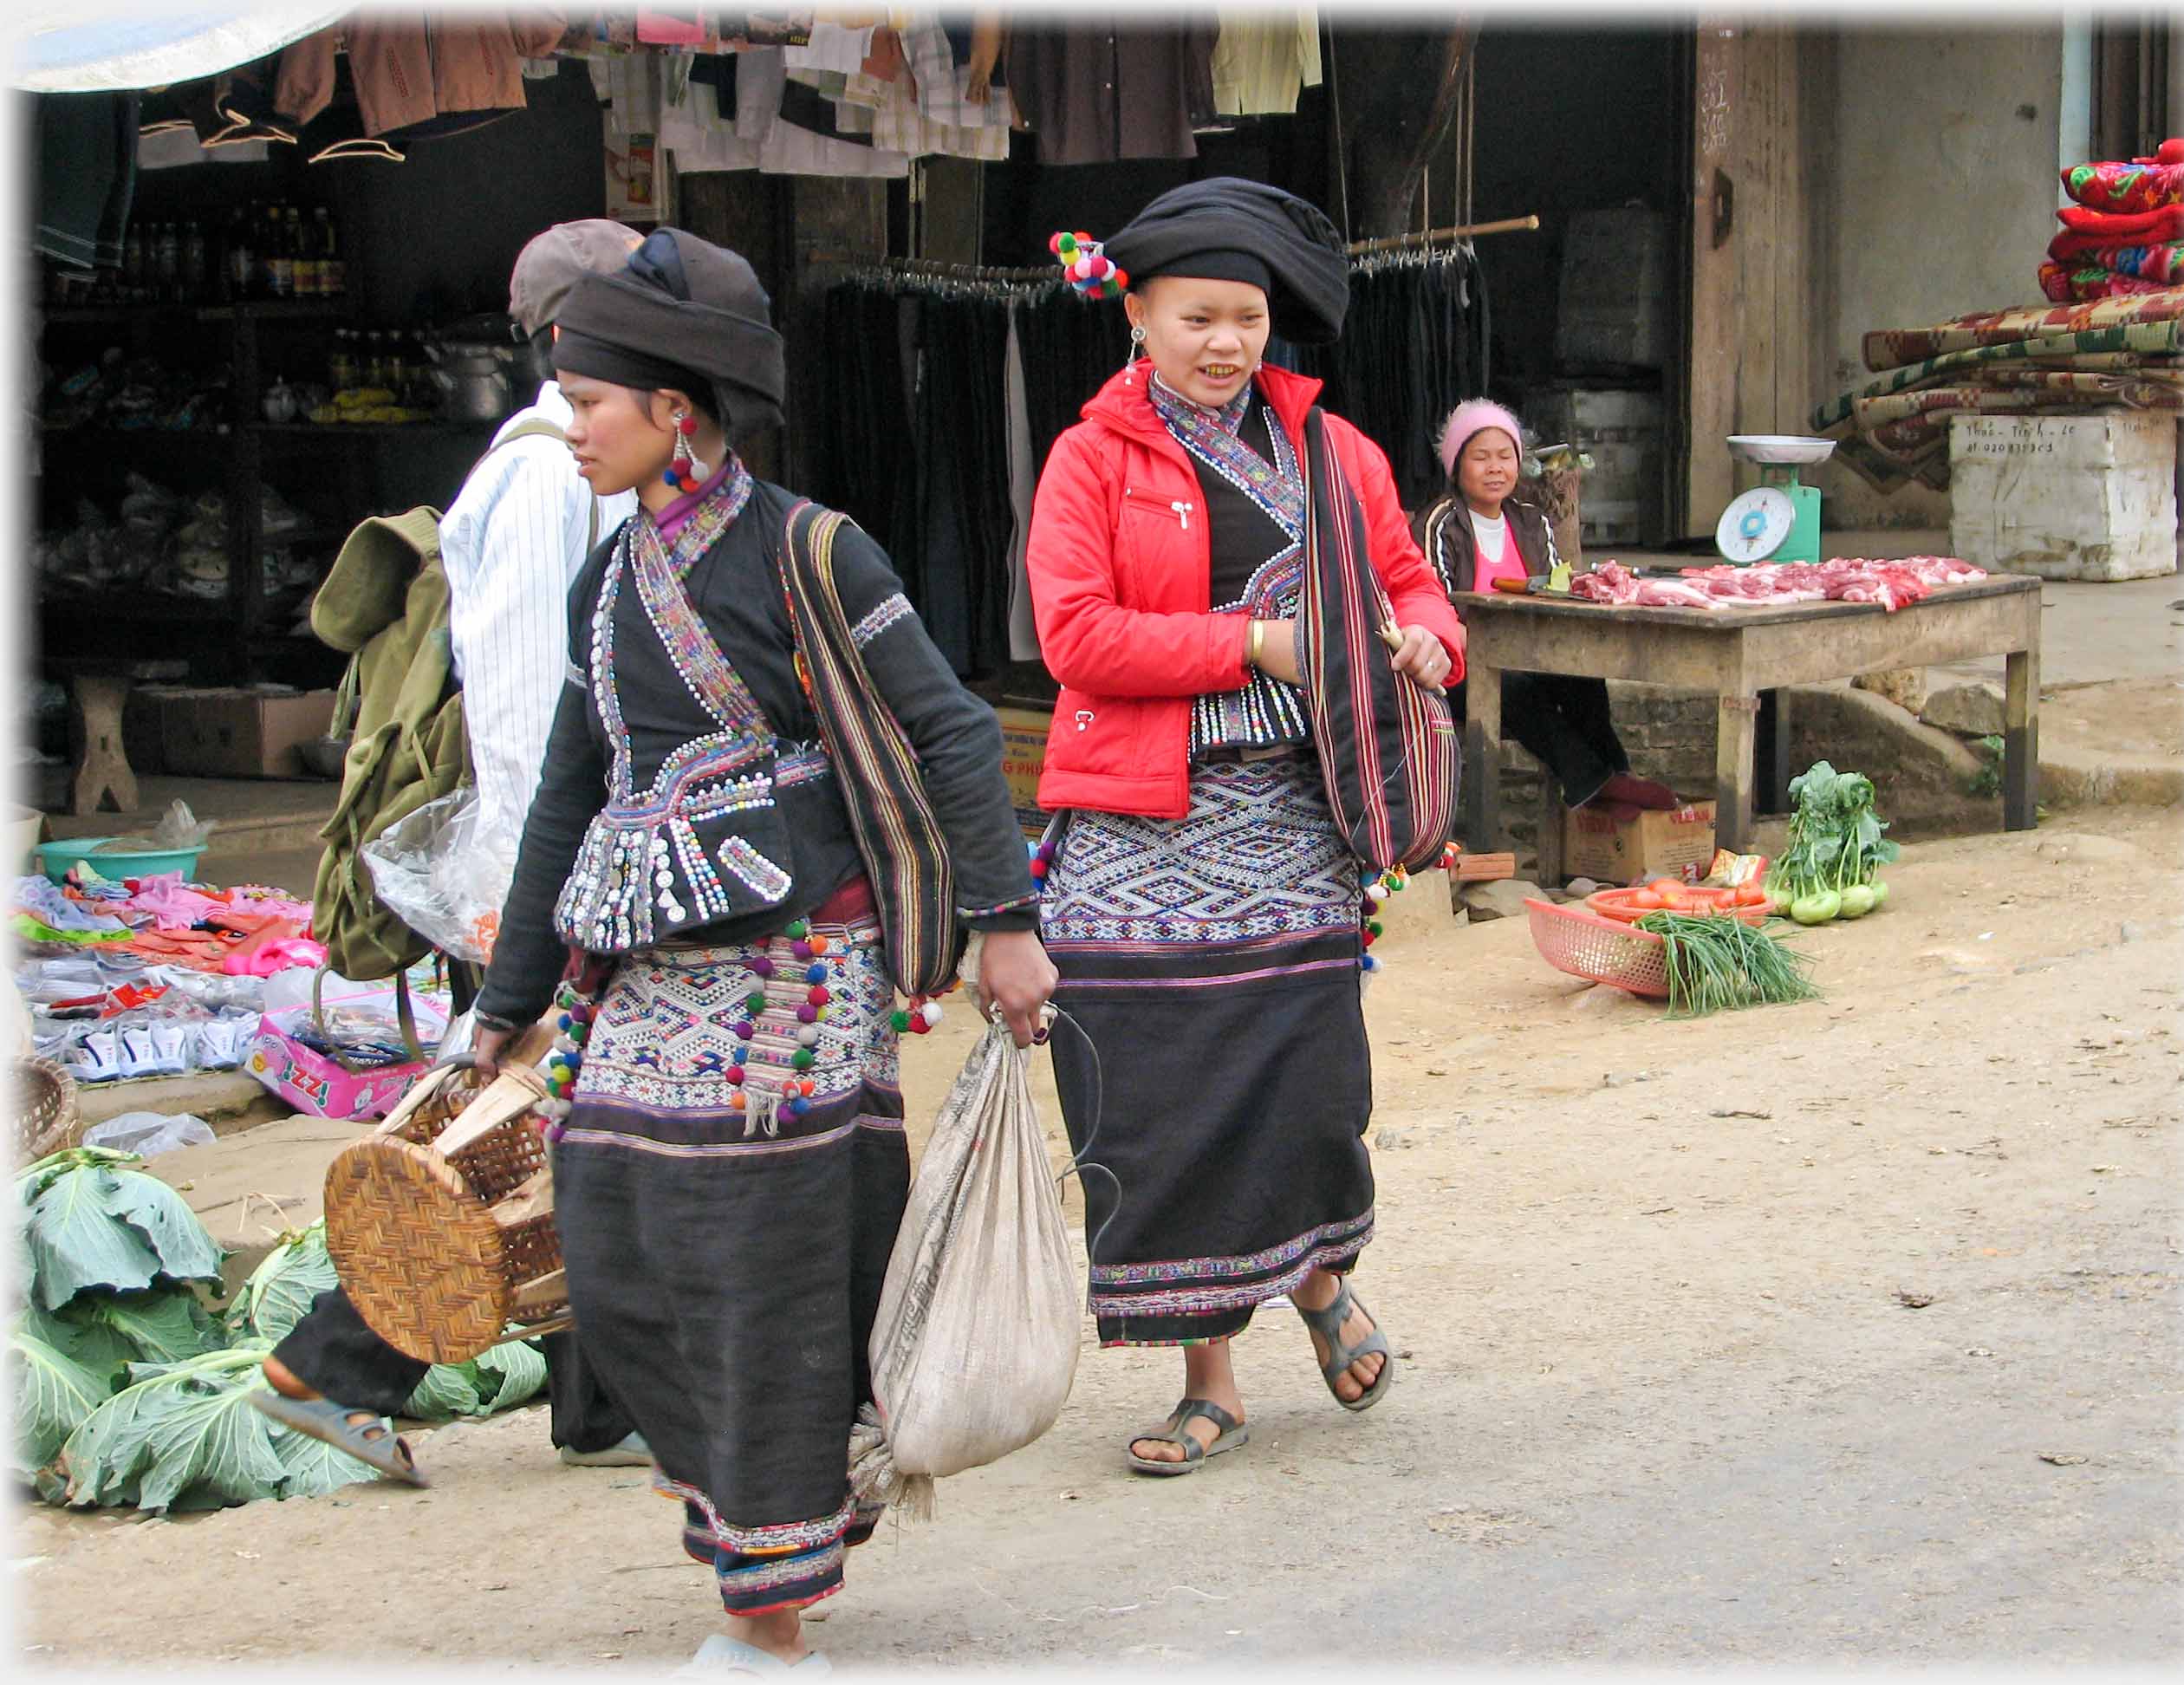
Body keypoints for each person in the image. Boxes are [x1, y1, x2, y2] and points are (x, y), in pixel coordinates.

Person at [465, 226, 1057, 1675]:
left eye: (587, 399)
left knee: (760, 1267)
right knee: (608, 1249)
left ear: (676, 409)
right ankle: (787, 1487)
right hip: (647, 980)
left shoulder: (810, 550)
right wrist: (507, 1001)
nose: (569, 424)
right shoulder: (613, 582)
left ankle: (766, 1601)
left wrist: (1004, 923)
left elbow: (954, 730)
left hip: (797, 979)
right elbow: (570, 784)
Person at [1023, 179, 1464, 1477]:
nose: (1226, 343)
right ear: (1139, 318)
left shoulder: (1337, 452)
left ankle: (1319, 1279)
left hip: (1296, 815)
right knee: (1156, 1106)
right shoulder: (1090, 459)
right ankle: (1207, 1379)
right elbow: (1073, 636)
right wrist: (1253, 640)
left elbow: (1406, 576)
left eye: (1247, 318)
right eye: (1198, 317)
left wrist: (1433, 638)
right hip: (1135, 832)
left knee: (1304, 1087)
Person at [253, 219, 651, 1483]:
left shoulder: (585, 465)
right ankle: (333, 1360)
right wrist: (546, 911)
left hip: (572, 869)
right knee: (505, 1138)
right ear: (566, 337)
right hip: (550, 876)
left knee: (578, 1131)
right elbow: (539, 713)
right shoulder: (549, 477)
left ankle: (602, 1400)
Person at [1414, 400, 1677, 813]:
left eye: (1505, 457)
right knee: (1512, 686)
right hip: (1458, 667)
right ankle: (1593, 783)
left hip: (1527, 654)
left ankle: (1616, 775)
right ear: (1456, 466)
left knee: (1581, 675)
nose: (1495, 468)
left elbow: (1557, 595)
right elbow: (1430, 605)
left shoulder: (1532, 522)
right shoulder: (1440, 523)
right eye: (1480, 458)